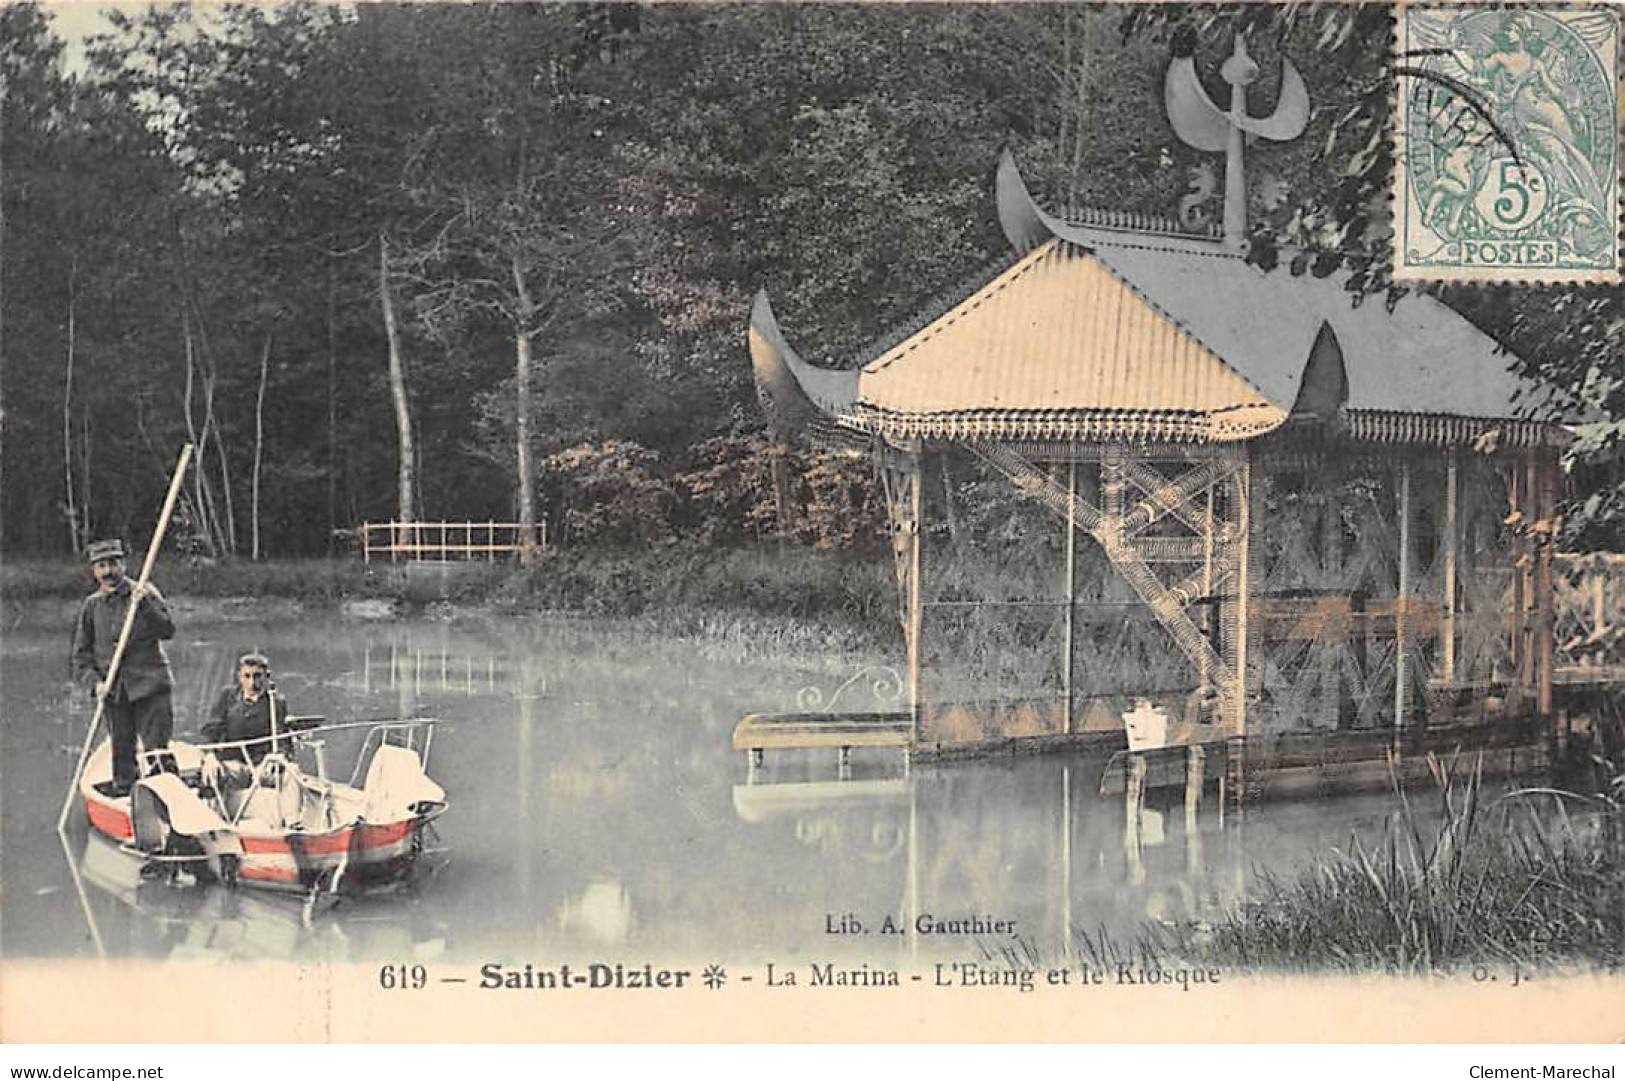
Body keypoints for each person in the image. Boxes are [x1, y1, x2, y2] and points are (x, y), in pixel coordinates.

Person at [71, 538, 177, 797]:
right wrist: (95, 684)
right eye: (101, 566)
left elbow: (167, 630)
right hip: (115, 691)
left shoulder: (144, 592)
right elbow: (81, 657)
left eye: (113, 564)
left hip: (150, 686)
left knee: (158, 751)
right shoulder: (91, 606)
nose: (108, 571)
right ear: (94, 571)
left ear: (123, 564)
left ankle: (170, 801)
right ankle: (126, 799)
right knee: (121, 752)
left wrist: (144, 605)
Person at [201, 652, 287, 764]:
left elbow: (281, 737)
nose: (251, 682)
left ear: (267, 676)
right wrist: (210, 755)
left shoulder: (275, 701)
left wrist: (276, 758)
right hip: (231, 761)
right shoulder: (227, 696)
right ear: (239, 677)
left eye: (257, 676)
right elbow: (212, 730)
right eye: (247, 676)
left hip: (262, 763)